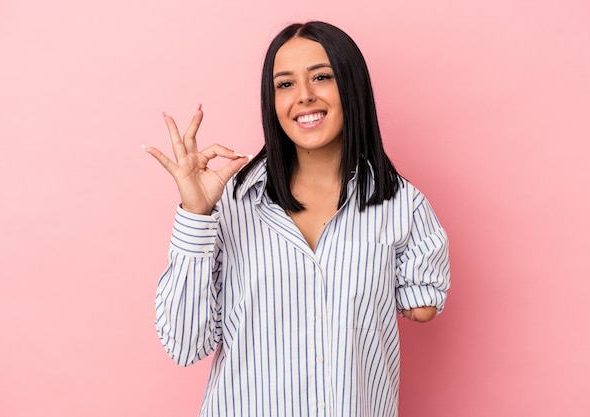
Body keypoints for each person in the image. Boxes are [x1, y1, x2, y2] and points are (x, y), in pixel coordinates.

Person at [143, 21, 450, 417]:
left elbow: (422, 300)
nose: (303, 96)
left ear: (352, 86)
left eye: (321, 77)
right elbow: (185, 345)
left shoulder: (401, 205)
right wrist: (196, 216)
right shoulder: (232, 203)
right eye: (284, 84)